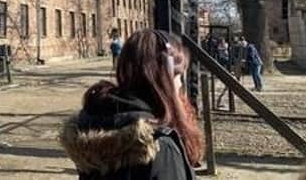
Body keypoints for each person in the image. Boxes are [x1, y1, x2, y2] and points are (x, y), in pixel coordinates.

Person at [60, 29, 203, 180]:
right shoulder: (160, 147)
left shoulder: (93, 126)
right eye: (178, 75)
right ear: (162, 77)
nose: (180, 83)